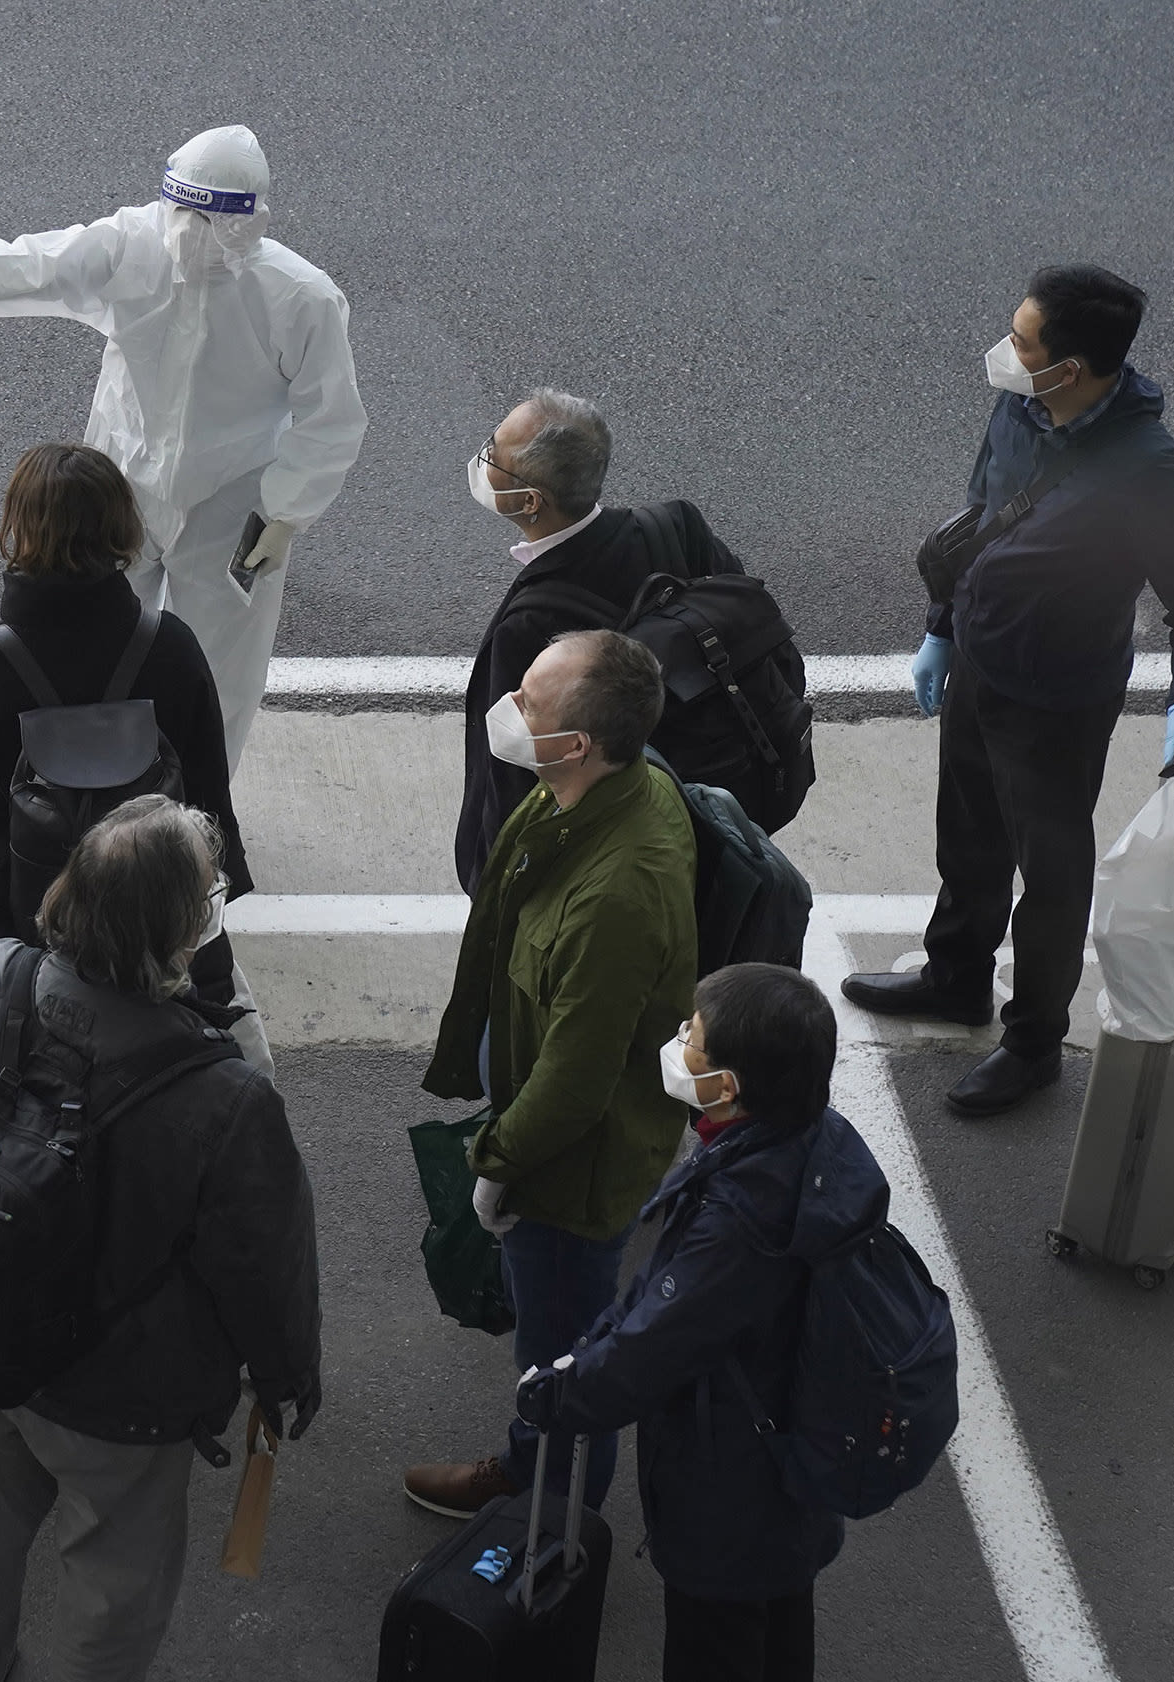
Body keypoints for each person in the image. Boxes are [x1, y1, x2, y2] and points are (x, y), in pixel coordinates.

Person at [0, 795, 321, 1682]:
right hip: (126, 1396)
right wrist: (286, 1377)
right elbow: (263, 1267)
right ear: (179, 932)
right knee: (111, 1592)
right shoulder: (225, 1101)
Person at [0, 124, 367, 774]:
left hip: (234, 511)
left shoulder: (300, 297)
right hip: (122, 497)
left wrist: (286, 512)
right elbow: (26, 265)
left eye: (214, 222)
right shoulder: (132, 246)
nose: (193, 236)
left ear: (253, 221)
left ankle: (200, 817)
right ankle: (87, 792)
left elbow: (332, 417)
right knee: (93, 648)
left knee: (219, 677)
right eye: (184, 216)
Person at [844, 266, 1174, 1114]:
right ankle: (955, 979)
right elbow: (982, 510)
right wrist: (942, 628)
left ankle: (1033, 1046)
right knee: (968, 834)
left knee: (1051, 880)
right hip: (982, 663)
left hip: (1059, 703)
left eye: (1023, 343)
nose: (1005, 352)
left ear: (1075, 368)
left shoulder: (1147, 472)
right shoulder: (1019, 407)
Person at [513, 963, 883, 1682]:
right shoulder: (816, 1143)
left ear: (731, 1088)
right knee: (779, 1630)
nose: (681, 1043)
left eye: (696, 1042)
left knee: (713, 1646)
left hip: (729, 1497)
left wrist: (556, 1395)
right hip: (789, 1475)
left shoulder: (741, 1224)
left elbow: (658, 1341)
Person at [407, 629, 695, 1519]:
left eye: (529, 700)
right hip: (544, 1117)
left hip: (565, 1175)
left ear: (575, 745)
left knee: (563, 1354)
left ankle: (553, 1515)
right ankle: (542, 1482)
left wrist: (498, 1164)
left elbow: (574, 1085)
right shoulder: (585, 791)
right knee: (559, 1341)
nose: (510, 706)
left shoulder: (619, 893)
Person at [0, 442, 269, 1072]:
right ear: (123, 527)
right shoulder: (170, 649)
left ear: (20, 532)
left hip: (6, 934)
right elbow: (209, 810)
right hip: (151, 930)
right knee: (247, 1073)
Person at [455, 389, 744, 891]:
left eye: (492, 454)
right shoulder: (678, 527)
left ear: (529, 501)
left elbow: (509, 768)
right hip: (707, 802)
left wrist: (489, 877)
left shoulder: (529, 628)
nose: (483, 459)